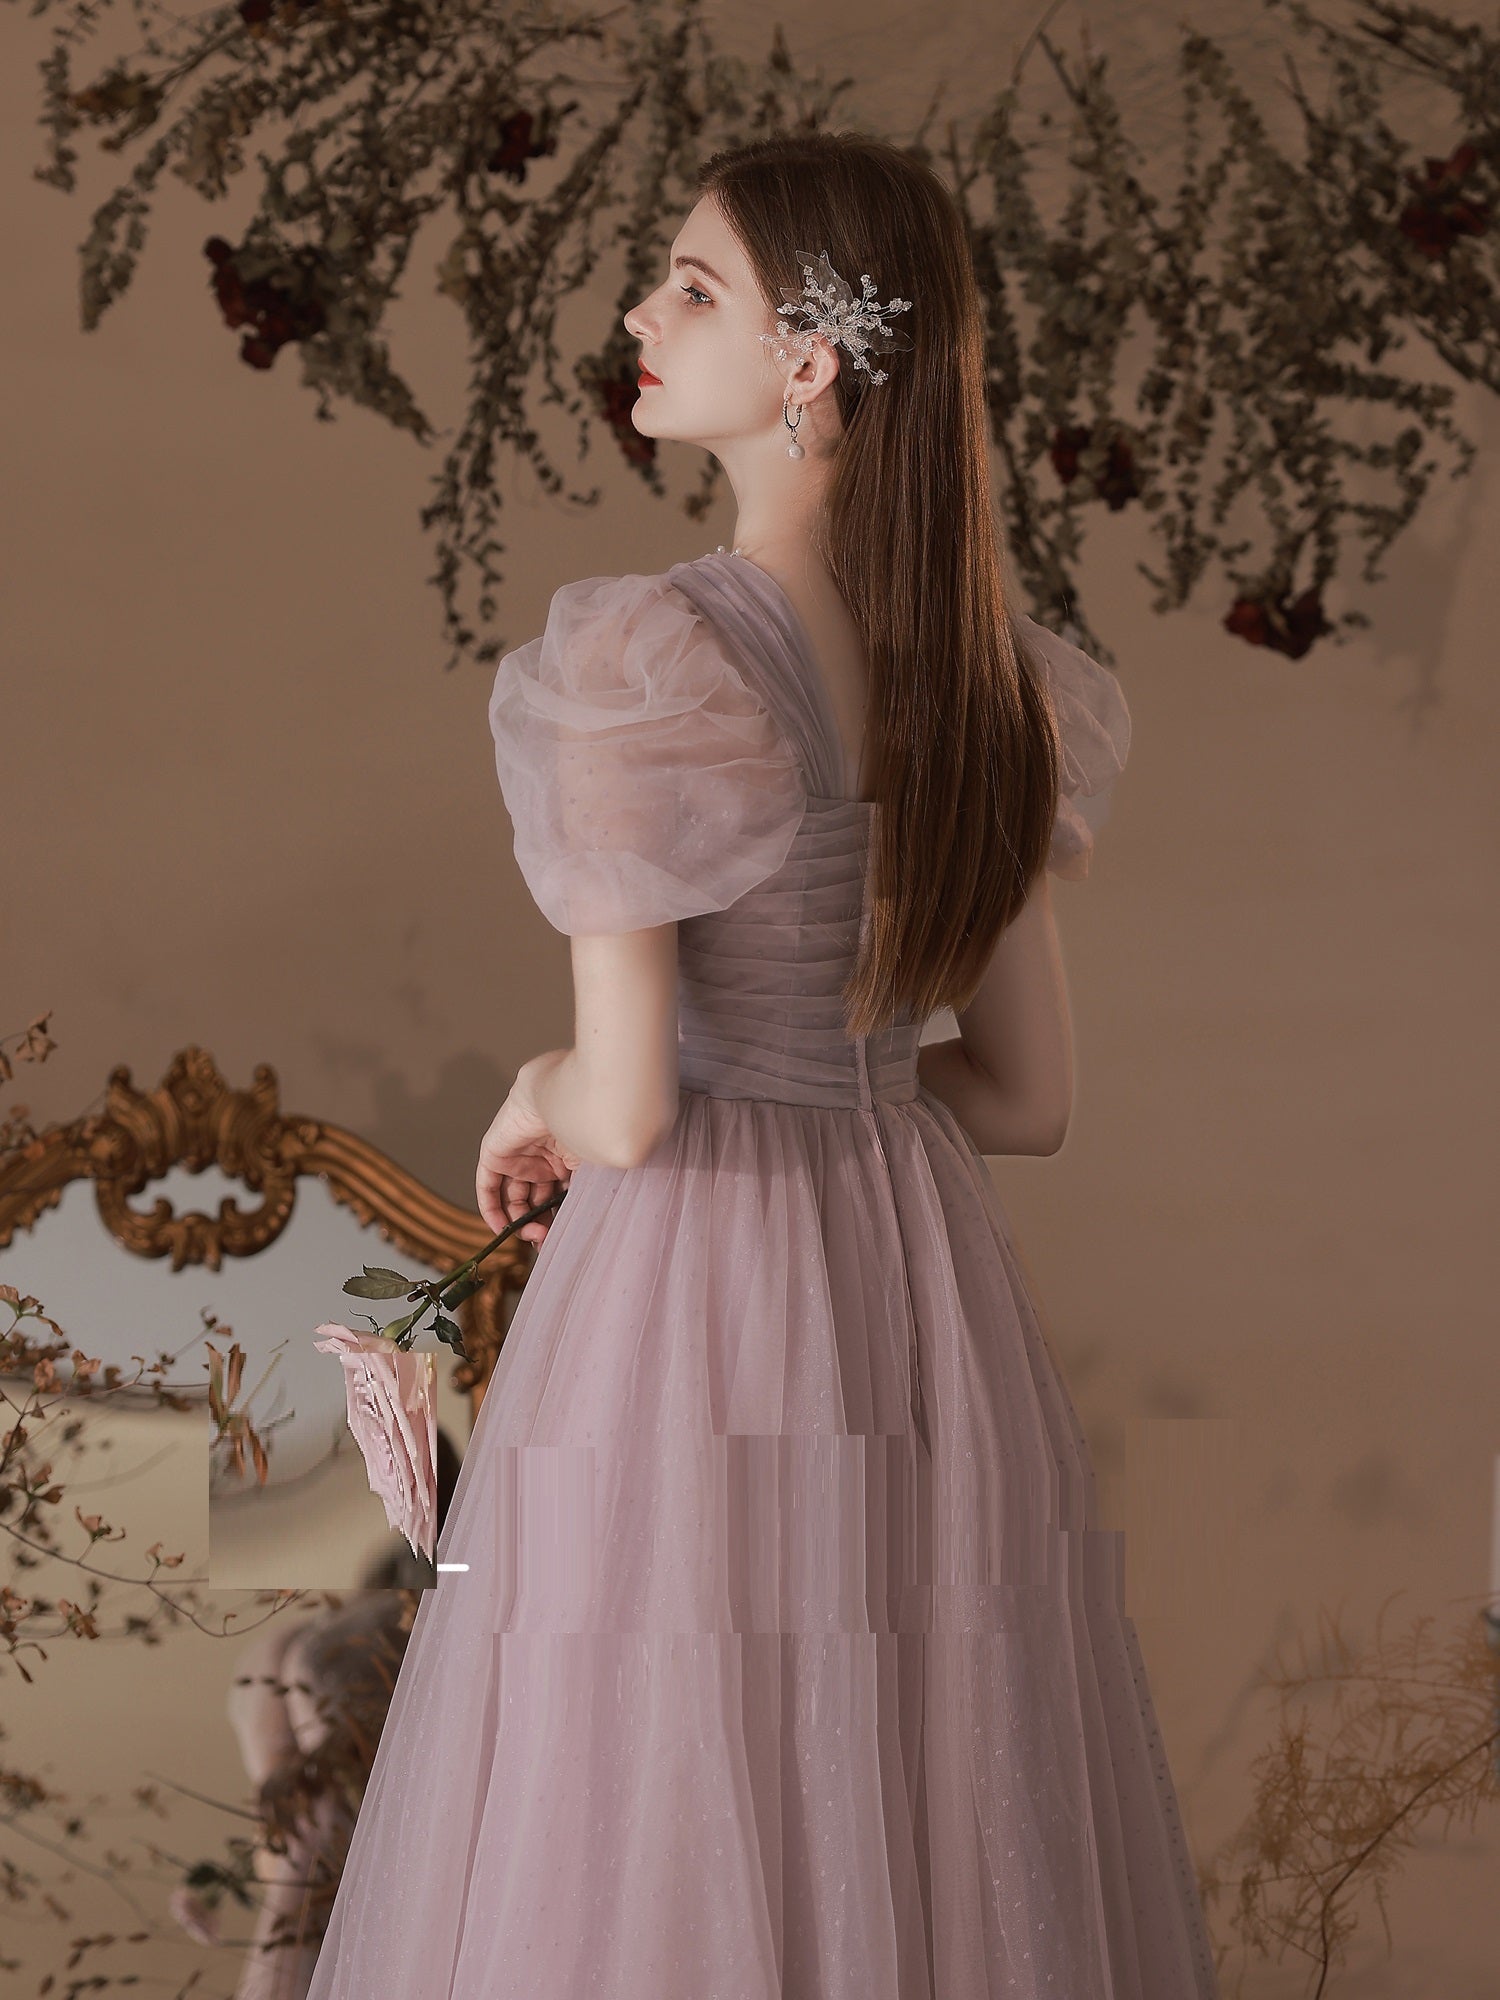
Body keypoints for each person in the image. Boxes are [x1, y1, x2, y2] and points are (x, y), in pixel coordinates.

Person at [303, 131, 1220, 1998]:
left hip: (699, 1290)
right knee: (923, 1773)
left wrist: (537, 1085)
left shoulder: (649, 656)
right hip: (916, 1284)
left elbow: (632, 1106)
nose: (642, 316)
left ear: (810, 360)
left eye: (694, 286)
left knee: (660, 1772)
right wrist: (843, 1088)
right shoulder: (992, 681)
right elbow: (1026, 1100)